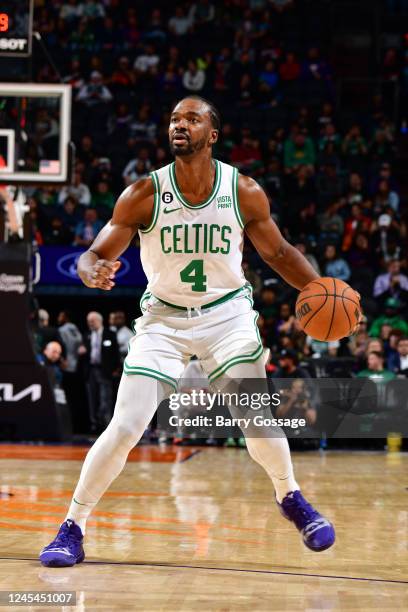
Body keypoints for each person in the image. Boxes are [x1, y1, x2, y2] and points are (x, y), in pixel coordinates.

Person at [40, 95, 339, 568]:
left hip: (227, 315)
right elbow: (93, 252)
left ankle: (290, 497)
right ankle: (71, 527)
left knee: (254, 414)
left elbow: (279, 254)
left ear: (212, 134)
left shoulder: (243, 191)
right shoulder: (142, 193)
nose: (180, 125)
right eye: (175, 119)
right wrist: (88, 270)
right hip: (163, 319)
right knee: (126, 425)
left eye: (192, 119)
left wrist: (322, 288)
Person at [80, 311, 120, 434]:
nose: (90, 323)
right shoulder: (86, 335)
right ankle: (94, 426)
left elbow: (115, 354)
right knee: (92, 399)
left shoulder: (110, 334)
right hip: (91, 371)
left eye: (92, 321)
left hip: (105, 371)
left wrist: (115, 369)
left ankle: (106, 425)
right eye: (88, 321)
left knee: (105, 399)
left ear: (99, 321)